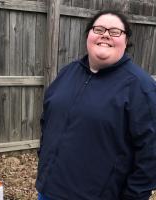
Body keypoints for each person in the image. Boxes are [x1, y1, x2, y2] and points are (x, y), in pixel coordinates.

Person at [36, 9, 156, 200]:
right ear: (88, 36)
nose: (106, 34)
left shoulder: (140, 87)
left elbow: (150, 155)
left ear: (126, 41)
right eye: (98, 29)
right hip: (48, 191)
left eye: (115, 31)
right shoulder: (68, 73)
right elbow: (48, 121)